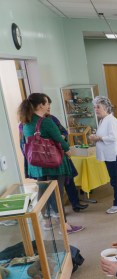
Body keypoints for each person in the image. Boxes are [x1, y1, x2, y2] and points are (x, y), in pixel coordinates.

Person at [18, 93, 84, 234]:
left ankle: (47, 221)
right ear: (41, 105)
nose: (48, 106)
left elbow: (24, 142)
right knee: (57, 193)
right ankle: (64, 226)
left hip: (36, 164)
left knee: (42, 191)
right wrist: (67, 150)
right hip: (52, 163)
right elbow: (59, 140)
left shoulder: (25, 122)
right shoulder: (46, 122)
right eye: (47, 103)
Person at [42, 94, 88, 213]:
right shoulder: (29, 123)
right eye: (47, 104)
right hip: (49, 159)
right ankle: (57, 213)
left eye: (49, 104)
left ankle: (75, 203)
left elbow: (63, 132)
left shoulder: (52, 118)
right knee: (54, 187)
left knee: (69, 179)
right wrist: (59, 140)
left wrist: (62, 137)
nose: (49, 107)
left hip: (61, 155)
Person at [89, 96, 117, 214]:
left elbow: (112, 137)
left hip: (114, 155)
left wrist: (98, 138)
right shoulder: (104, 120)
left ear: (106, 108)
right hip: (110, 154)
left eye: (98, 107)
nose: (96, 109)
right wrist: (97, 137)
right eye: (94, 107)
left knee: (115, 179)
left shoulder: (111, 120)